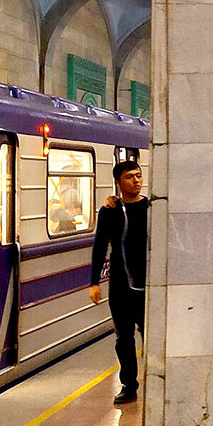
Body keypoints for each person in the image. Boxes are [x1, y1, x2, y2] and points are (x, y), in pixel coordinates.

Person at [88, 158, 150, 406]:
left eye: (138, 176)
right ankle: (128, 385)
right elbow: (100, 245)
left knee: (150, 335)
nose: (136, 180)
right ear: (118, 182)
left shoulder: (151, 207)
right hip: (121, 285)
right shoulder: (110, 211)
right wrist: (94, 282)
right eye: (129, 177)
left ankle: (155, 381)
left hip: (148, 285)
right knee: (124, 338)